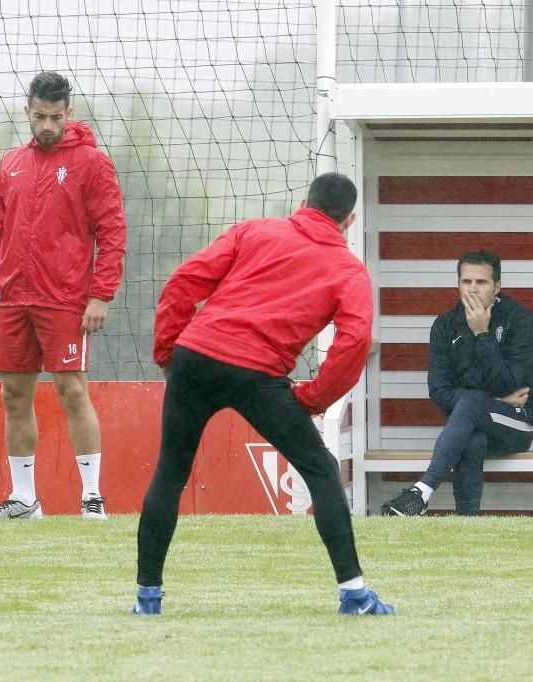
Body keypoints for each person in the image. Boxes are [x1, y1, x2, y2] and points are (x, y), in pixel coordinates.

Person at [134, 172, 393, 617]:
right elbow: (354, 342)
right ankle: (354, 595)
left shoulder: (253, 230)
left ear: (302, 202)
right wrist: (312, 398)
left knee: (170, 474)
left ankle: (147, 599)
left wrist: (167, 353)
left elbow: (183, 281)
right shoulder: (349, 270)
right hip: (258, 374)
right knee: (322, 470)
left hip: (196, 357)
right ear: (349, 220)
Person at [0, 71, 126, 521]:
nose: (46, 124)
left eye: (54, 117)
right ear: (27, 111)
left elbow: (113, 232)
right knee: (14, 396)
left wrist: (100, 295)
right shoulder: (11, 163)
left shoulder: (92, 163)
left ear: (69, 114)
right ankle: (24, 499)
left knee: (72, 390)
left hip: (65, 300)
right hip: (16, 299)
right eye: (39, 116)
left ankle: (92, 497)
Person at [381, 250, 533, 516]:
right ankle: (466, 522)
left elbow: (513, 383)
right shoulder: (445, 325)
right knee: (473, 437)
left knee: (469, 404)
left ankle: (423, 490)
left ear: (497, 286)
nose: (473, 290)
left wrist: (482, 334)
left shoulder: (521, 320)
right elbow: (439, 391)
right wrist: (492, 401)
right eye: (466, 282)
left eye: (481, 282)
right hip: (471, 424)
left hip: (517, 423)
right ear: (458, 284)